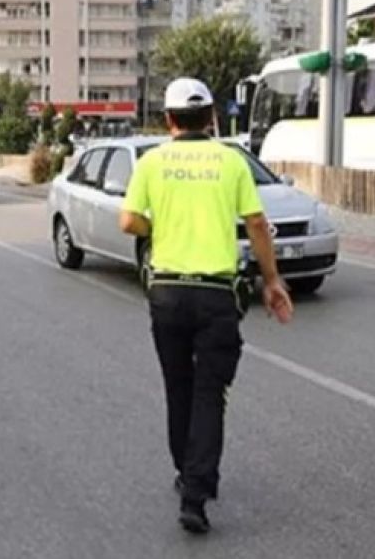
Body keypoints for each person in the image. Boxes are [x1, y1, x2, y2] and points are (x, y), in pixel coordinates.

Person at [119, 77, 294, 535]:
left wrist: (159, 225)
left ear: (169, 119)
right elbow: (257, 223)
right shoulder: (231, 160)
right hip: (217, 296)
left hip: (167, 294)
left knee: (178, 387)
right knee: (209, 394)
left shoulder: (152, 162)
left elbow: (129, 221)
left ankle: (186, 470)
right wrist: (272, 280)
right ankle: (195, 495)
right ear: (212, 117)